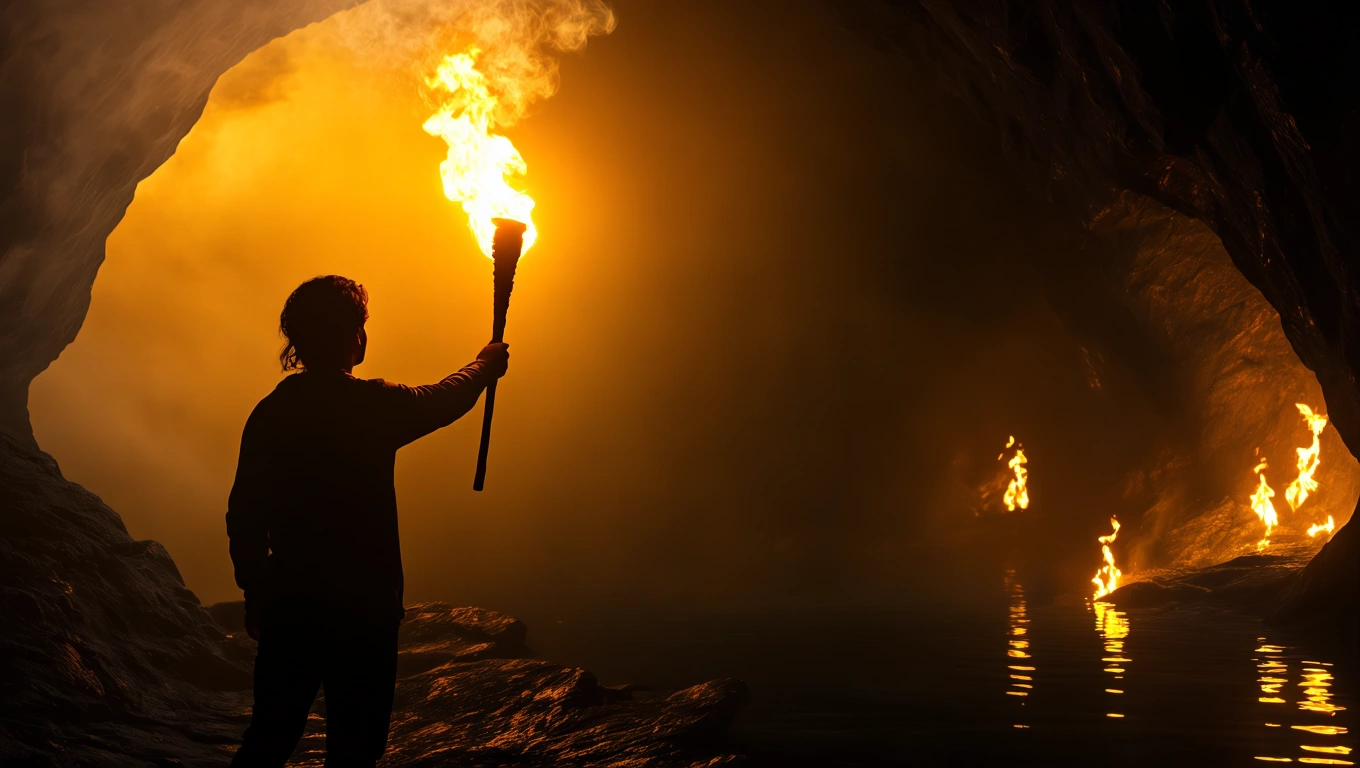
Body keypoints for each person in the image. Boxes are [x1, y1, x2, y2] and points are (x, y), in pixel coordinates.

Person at [225, 275, 508, 766]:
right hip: (365, 608)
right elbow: (443, 398)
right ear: (354, 337)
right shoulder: (371, 405)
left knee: (269, 737)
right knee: (355, 751)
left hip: (292, 603)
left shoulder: (272, 413)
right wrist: (484, 366)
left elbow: (244, 515)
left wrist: (257, 591)